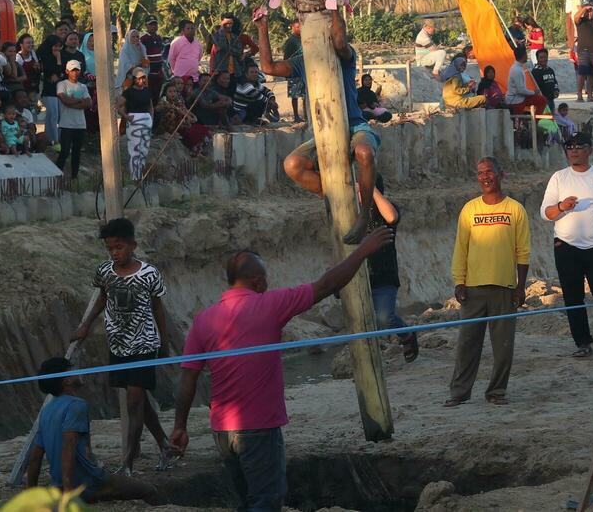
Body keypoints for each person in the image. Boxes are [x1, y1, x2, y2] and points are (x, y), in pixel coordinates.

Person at [170, 228, 396, 511]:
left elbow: (187, 378)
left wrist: (180, 426)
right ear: (258, 281)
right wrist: (362, 251)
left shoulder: (203, 320)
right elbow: (325, 285)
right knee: (267, 501)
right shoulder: (271, 304)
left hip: (223, 433)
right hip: (259, 428)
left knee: (247, 501)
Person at [255, 5, 382, 243]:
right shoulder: (302, 61)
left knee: (365, 152)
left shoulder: (343, 53)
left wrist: (334, 10)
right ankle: (334, 195)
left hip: (355, 125)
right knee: (293, 165)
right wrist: (263, 28)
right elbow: (268, 67)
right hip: (325, 131)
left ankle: (364, 215)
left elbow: (341, 43)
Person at [70, 217, 178, 474]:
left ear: (133, 245)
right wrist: (85, 325)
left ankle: (127, 462)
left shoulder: (149, 274)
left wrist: (163, 342)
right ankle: (164, 444)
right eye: (110, 248)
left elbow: (158, 309)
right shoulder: (105, 272)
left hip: (144, 344)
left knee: (133, 402)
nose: (114, 253)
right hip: (118, 343)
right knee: (136, 400)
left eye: (118, 247)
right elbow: (102, 298)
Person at [446, 157, 530, 407]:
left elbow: (523, 251)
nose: (485, 177)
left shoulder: (515, 209)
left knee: (503, 347)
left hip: (504, 289)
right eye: (480, 173)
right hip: (472, 289)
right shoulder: (469, 209)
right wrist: (459, 281)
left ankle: (497, 391)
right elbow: (461, 247)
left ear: (500, 174)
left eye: (489, 172)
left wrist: (520, 286)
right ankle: (459, 393)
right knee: (467, 344)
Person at [25, 358, 162, 505]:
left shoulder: (46, 411)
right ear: (67, 381)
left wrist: (31, 494)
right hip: (87, 482)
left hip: (59, 485)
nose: (79, 370)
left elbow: (35, 457)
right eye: (72, 369)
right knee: (149, 491)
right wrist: (69, 491)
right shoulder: (76, 405)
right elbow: (68, 447)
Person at [542, 132, 593, 358]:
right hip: (565, 246)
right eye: (569, 146)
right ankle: (582, 343)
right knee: (572, 297)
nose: (574, 150)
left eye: (579, 146)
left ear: (590, 149)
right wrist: (562, 207)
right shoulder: (558, 178)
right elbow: (545, 212)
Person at [366, 178, 419, 361]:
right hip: (360, 277)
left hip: (384, 276)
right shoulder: (354, 213)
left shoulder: (386, 210)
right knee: (363, 322)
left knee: (384, 317)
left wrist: (370, 188)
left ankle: (407, 335)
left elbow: (392, 217)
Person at [56, 59, 92, 181]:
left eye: (77, 70)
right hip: (66, 124)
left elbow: (88, 103)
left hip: (80, 124)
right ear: (67, 71)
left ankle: (74, 177)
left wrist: (73, 102)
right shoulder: (62, 84)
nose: (75, 73)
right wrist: (79, 101)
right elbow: (65, 100)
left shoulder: (83, 86)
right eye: (72, 70)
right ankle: (56, 176)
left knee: (77, 153)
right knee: (65, 152)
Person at [119, 67, 156, 180]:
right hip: (134, 119)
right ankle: (135, 176)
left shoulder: (147, 91)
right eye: (139, 78)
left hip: (146, 120)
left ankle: (142, 174)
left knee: (144, 148)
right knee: (135, 149)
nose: (142, 80)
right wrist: (126, 116)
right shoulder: (128, 92)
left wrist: (151, 119)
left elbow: (151, 107)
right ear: (134, 79)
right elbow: (118, 106)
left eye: (143, 78)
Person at [574, 4, 593, 102]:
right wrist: (584, 9)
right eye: (588, 11)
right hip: (584, 51)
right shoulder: (581, 22)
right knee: (582, 73)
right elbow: (576, 17)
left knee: (591, 74)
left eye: (590, 11)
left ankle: (590, 95)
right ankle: (579, 95)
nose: (589, 12)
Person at [530, 48, 560, 115]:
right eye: (541, 57)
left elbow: (555, 82)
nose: (543, 59)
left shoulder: (550, 70)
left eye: (545, 57)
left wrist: (556, 90)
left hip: (551, 100)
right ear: (537, 59)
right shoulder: (535, 72)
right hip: (542, 101)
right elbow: (534, 86)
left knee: (552, 119)